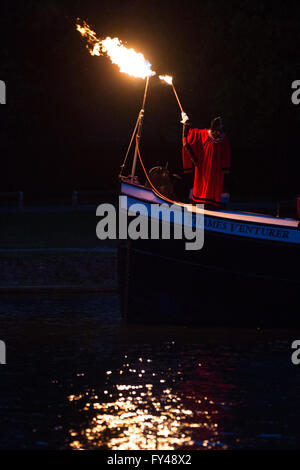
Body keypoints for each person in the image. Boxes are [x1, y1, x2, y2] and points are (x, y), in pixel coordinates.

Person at [181, 113, 231, 207]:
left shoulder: (224, 139)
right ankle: (200, 201)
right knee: (202, 183)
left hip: (216, 169)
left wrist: (225, 167)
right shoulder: (203, 134)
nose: (220, 133)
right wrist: (186, 125)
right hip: (204, 166)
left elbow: (226, 153)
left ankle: (212, 203)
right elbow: (190, 137)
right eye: (218, 130)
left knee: (214, 186)